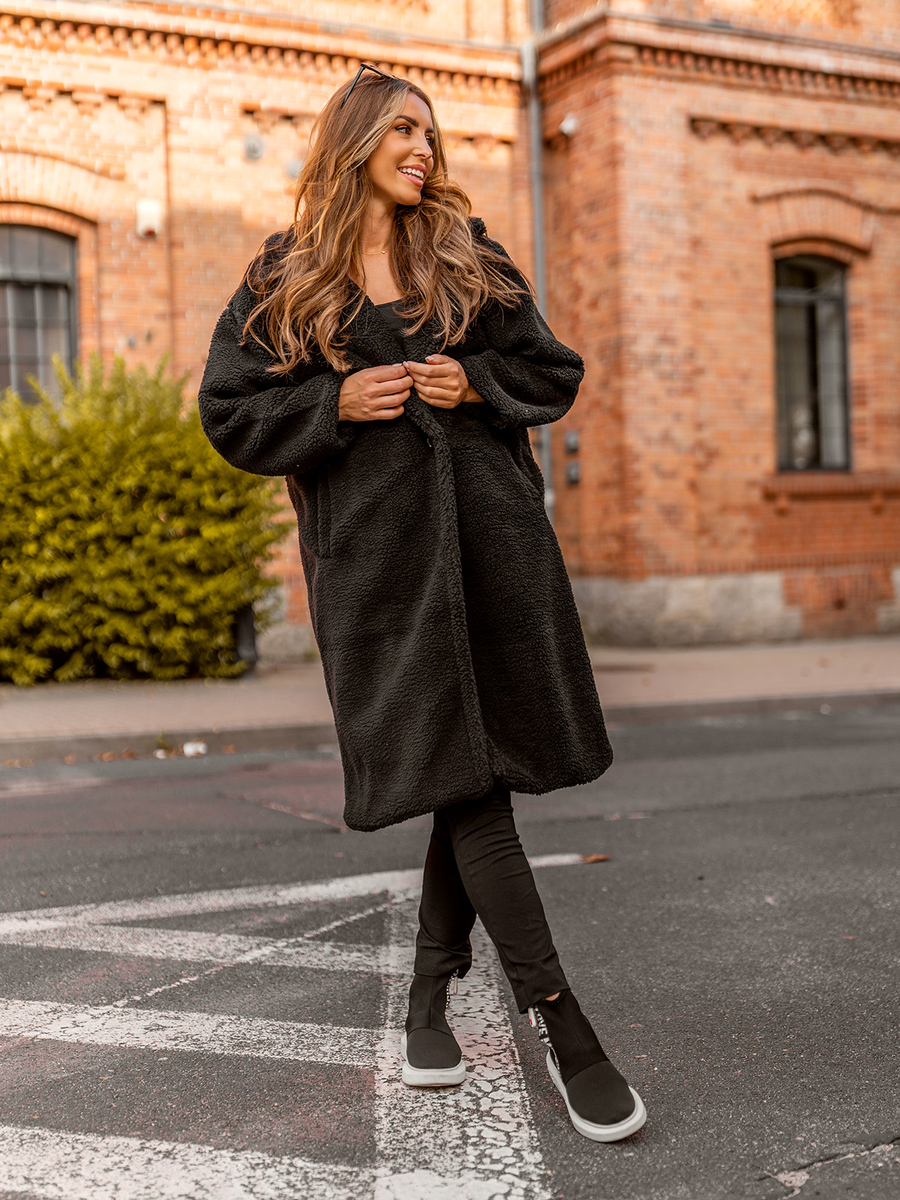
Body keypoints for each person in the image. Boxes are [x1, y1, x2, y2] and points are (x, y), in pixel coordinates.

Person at [198, 63, 646, 1144]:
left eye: (431, 135)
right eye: (404, 130)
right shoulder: (285, 278)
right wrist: (334, 401)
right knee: (470, 785)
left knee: (471, 779)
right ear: (356, 140)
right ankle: (563, 1025)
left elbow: (553, 372)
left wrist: (475, 385)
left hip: (496, 560)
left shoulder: (465, 256)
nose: (423, 150)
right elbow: (228, 411)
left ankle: (429, 1004)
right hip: (383, 580)